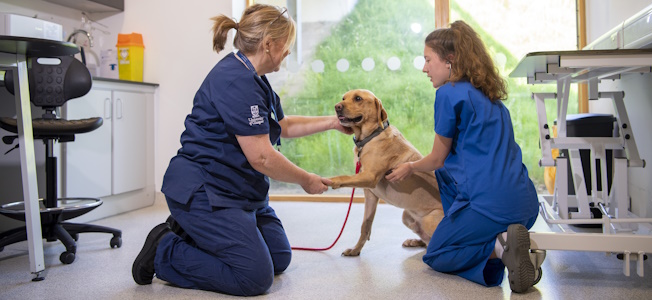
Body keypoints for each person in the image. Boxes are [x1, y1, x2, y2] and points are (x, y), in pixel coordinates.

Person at [132, 5, 351, 296]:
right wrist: (306, 179)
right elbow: (261, 156)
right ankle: (165, 250)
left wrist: (334, 122)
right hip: (205, 191)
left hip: (239, 190)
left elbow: (283, 126)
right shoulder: (235, 80)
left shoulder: (256, 77)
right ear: (269, 44)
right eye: (287, 44)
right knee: (255, 277)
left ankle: (197, 234)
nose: (288, 51)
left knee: (279, 259)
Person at [386, 20, 540, 293]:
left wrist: (409, 167)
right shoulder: (492, 97)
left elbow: (436, 159)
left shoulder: (448, 93)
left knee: (436, 254)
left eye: (428, 60)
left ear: (450, 61)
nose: (424, 68)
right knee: (450, 180)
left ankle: (502, 249)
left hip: (491, 207)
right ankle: (518, 247)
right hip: (526, 205)